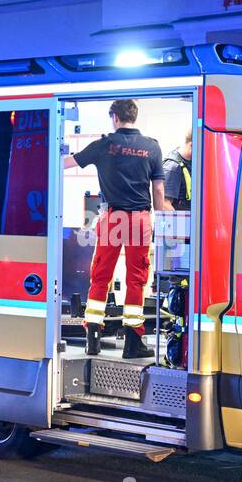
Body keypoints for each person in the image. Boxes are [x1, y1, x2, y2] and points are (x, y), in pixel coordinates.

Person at [64, 99, 168, 359]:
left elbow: (66, 163)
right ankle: (133, 342)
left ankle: (93, 338)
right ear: (134, 116)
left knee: (101, 275)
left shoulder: (104, 145)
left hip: (112, 218)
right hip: (139, 219)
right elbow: (158, 191)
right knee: (136, 279)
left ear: (114, 117)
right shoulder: (152, 147)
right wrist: (166, 221)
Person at [163, 131, 193, 212]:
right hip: (181, 222)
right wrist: (180, 223)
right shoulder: (173, 167)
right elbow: (165, 205)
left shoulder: (190, 163)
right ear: (192, 145)